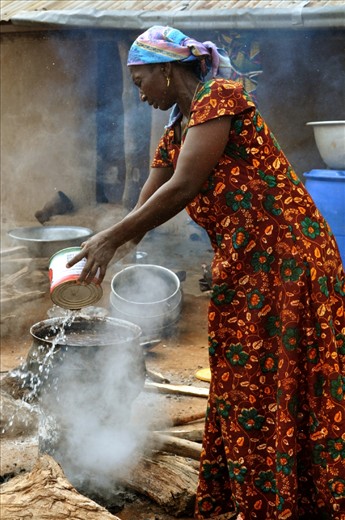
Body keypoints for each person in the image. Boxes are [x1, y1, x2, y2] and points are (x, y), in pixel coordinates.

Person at [67, 26, 345, 519]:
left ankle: (294, 501)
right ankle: (261, 500)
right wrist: (111, 254)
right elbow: (148, 202)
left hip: (289, 262)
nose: (139, 93)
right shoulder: (178, 128)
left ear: (166, 70)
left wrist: (111, 240)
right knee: (244, 381)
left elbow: (183, 186)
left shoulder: (219, 98)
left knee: (276, 380)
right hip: (246, 265)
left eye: (139, 81)